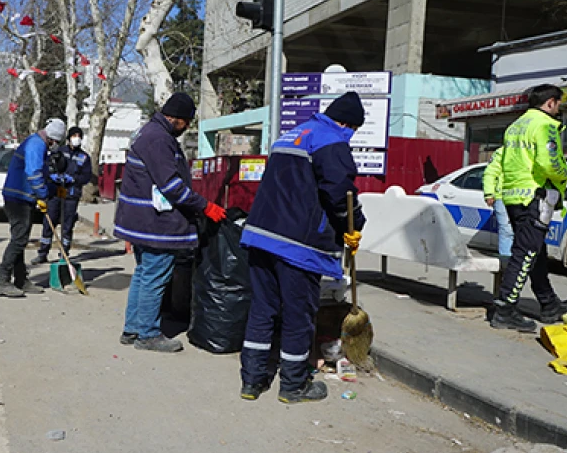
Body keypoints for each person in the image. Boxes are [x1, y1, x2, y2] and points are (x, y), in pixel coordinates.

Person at [238, 91, 366, 404]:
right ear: (347, 123)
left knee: (263, 309)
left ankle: (252, 382)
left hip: (261, 235)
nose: (351, 136)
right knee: (298, 314)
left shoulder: (291, 136)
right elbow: (339, 193)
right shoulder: (331, 140)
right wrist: (353, 226)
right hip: (297, 244)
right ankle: (294, 385)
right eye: (354, 130)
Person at [114, 92, 226, 353]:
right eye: (186, 121)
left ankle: (133, 328)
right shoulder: (158, 139)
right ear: (175, 118)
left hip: (141, 220)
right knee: (154, 274)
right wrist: (205, 206)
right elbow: (172, 186)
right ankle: (148, 334)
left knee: (143, 273)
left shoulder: (149, 133)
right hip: (155, 223)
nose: (186, 126)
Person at [491, 84, 567, 332]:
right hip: (535, 196)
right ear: (550, 102)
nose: (558, 109)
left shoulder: (515, 125)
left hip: (513, 196)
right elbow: (549, 163)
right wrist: (565, 175)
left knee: (535, 252)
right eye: (558, 104)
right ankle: (505, 309)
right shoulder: (545, 125)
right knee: (525, 253)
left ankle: (549, 305)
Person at [0, 118, 67, 298]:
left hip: (21, 197)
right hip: (18, 198)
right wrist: (43, 195)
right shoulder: (37, 145)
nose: (56, 145)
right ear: (52, 138)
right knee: (19, 240)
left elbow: (41, 173)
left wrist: (52, 188)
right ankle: (2, 281)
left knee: (19, 239)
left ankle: (21, 279)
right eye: (56, 142)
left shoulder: (36, 143)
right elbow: (33, 173)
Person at [33, 126, 93, 265]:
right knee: (49, 223)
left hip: (71, 195)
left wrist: (74, 180)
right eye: (74, 136)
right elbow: (48, 166)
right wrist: (52, 176)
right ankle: (43, 253)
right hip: (56, 193)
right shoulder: (59, 151)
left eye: (79, 136)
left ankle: (64, 253)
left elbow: (86, 176)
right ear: (68, 138)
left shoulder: (84, 157)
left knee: (67, 226)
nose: (76, 138)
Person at [482, 147, 514, 268]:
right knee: (507, 230)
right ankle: (506, 264)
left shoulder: (526, 149)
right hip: (502, 197)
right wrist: (489, 193)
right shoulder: (502, 152)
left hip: (520, 197)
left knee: (517, 231)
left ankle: (515, 263)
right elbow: (490, 173)